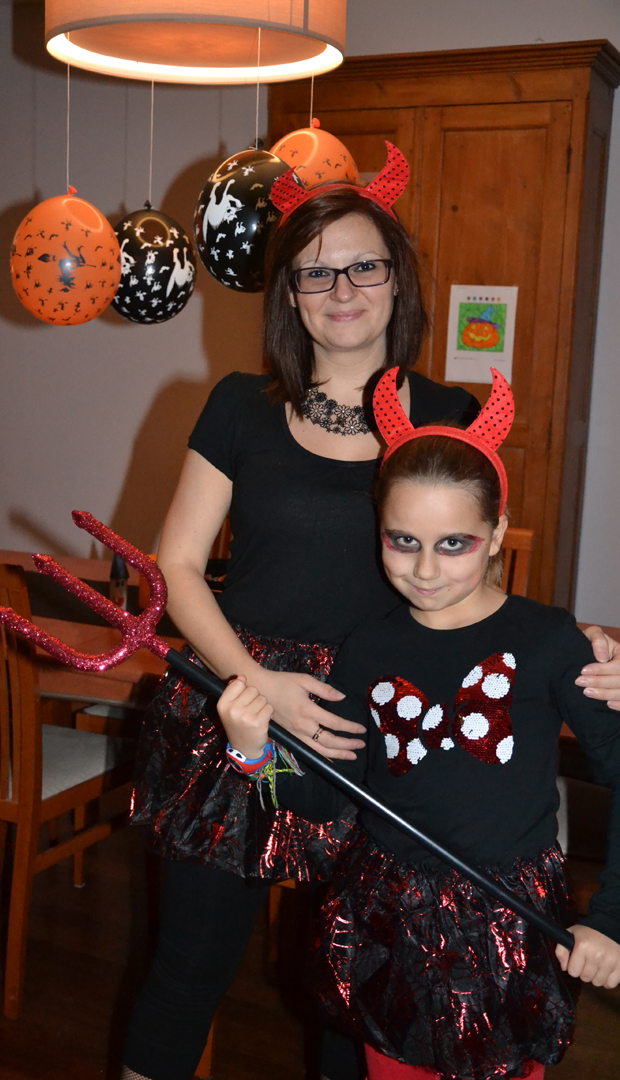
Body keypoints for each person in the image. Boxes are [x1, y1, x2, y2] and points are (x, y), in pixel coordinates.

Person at [121, 148, 620, 1080]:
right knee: (187, 969)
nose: (342, 289)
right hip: (247, 708)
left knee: (363, 994)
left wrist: (581, 643)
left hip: (392, 723)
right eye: (316, 272)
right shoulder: (238, 407)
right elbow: (177, 567)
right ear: (290, 293)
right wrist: (256, 682)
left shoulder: (449, 412)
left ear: (398, 281)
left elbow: (473, 572)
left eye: (364, 266)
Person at [217, 367, 620, 1080]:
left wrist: (610, 920)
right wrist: (256, 755)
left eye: (453, 543)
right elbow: (324, 797)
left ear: (497, 533)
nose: (426, 570)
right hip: (387, 919)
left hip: (509, 927)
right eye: (403, 541)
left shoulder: (552, 641)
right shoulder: (367, 648)